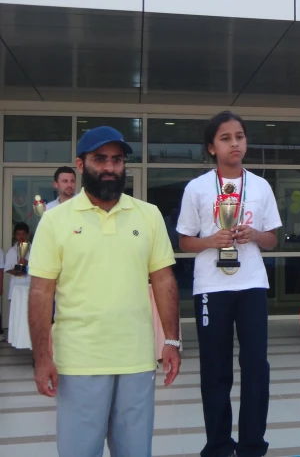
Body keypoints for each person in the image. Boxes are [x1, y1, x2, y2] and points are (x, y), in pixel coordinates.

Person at [28, 126, 181, 457]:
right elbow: (41, 292)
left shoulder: (149, 215)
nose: (110, 167)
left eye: (117, 159)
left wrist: (171, 339)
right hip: (79, 362)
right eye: (100, 159)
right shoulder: (55, 221)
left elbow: (164, 279)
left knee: (135, 452)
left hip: (137, 360)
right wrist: (42, 358)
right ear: (80, 165)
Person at [177, 111, 282, 457]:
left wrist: (253, 234)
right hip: (212, 288)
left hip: (251, 286)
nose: (234, 143)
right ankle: (220, 445)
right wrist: (211, 240)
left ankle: (253, 445)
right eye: (225, 138)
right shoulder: (197, 189)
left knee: (255, 368)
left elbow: (272, 240)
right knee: (215, 369)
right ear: (211, 147)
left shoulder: (261, 185)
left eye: (239, 136)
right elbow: (184, 241)